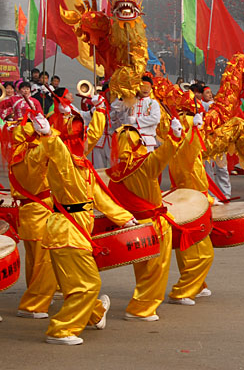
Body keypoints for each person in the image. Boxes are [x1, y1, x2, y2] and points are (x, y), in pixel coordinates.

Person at [35, 111, 135, 345]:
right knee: (90, 283)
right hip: (67, 231)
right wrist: (49, 135)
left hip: (70, 231)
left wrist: (124, 218)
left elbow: (99, 197)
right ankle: (61, 330)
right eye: (76, 137)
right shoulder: (63, 163)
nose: (82, 141)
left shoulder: (84, 166)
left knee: (73, 284)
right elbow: (58, 152)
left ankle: (96, 313)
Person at [104, 119, 184, 320]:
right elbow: (165, 153)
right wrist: (174, 136)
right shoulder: (145, 164)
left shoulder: (115, 173)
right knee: (156, 269)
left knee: (142, 267)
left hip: (135, 226)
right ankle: (141, 308)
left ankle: (141, 302)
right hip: (155, 224)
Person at [5, 117, 58, 321]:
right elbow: (55, 149)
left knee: (33, 261)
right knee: (43, 262)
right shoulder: (34, 155)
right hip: (40, 211)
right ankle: (33, 305)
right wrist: (48, 134)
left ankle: (38, 296)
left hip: (27, 212)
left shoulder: (17, 156)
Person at [167, 111, 215, 305]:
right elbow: (189, 147)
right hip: (190, 208)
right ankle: (182, 293)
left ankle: (199, 285)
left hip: (193, 204)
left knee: (188, 254)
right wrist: (195, 129)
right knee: (202, 254)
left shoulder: (184, 152)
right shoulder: (183, 152)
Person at [199, 86, 232, 199]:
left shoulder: (217, 106)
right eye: (206, 93)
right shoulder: (199, 106)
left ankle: (226, 193)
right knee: (208, 170)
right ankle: (212, 194)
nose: (209, 94)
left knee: (222, 168)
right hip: (206, 142)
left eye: (210, 92)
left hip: (218, 142)